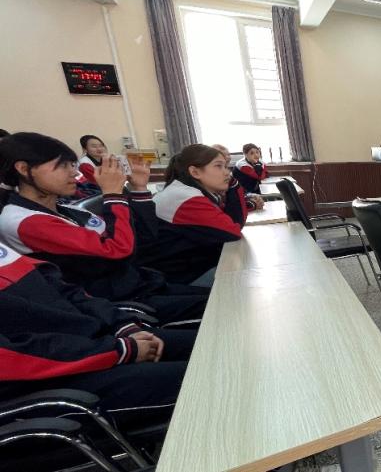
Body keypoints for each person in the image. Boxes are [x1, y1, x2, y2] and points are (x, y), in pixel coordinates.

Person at [0, 132, 207, 324]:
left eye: (72, 164)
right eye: (62, 166)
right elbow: (118, 251)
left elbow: (144, 240)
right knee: (215, 308)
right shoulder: (23, 221)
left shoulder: (69, 211)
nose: (74, 172)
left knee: (216, 298)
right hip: (114, 306)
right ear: (24, 169)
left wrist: (138, 188)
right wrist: (113, 194)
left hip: (138, 285)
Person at [0, 242, 193, 427]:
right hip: (46, 383)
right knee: (202, 381)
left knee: (205, 349)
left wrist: (122, 326)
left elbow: (68, 291)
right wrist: (119, 350)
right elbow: (10, 359)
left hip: (96, 345)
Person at [138, 144, 248, 285]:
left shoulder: (186, 191)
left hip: (186, 268)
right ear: (195, 172)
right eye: (219, 166)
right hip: (174, 280)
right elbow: (233, 230)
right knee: (243, 275)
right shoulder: (185, 198)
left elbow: (227, 219)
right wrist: (234, 185)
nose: (227, 173)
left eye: (226, 166)